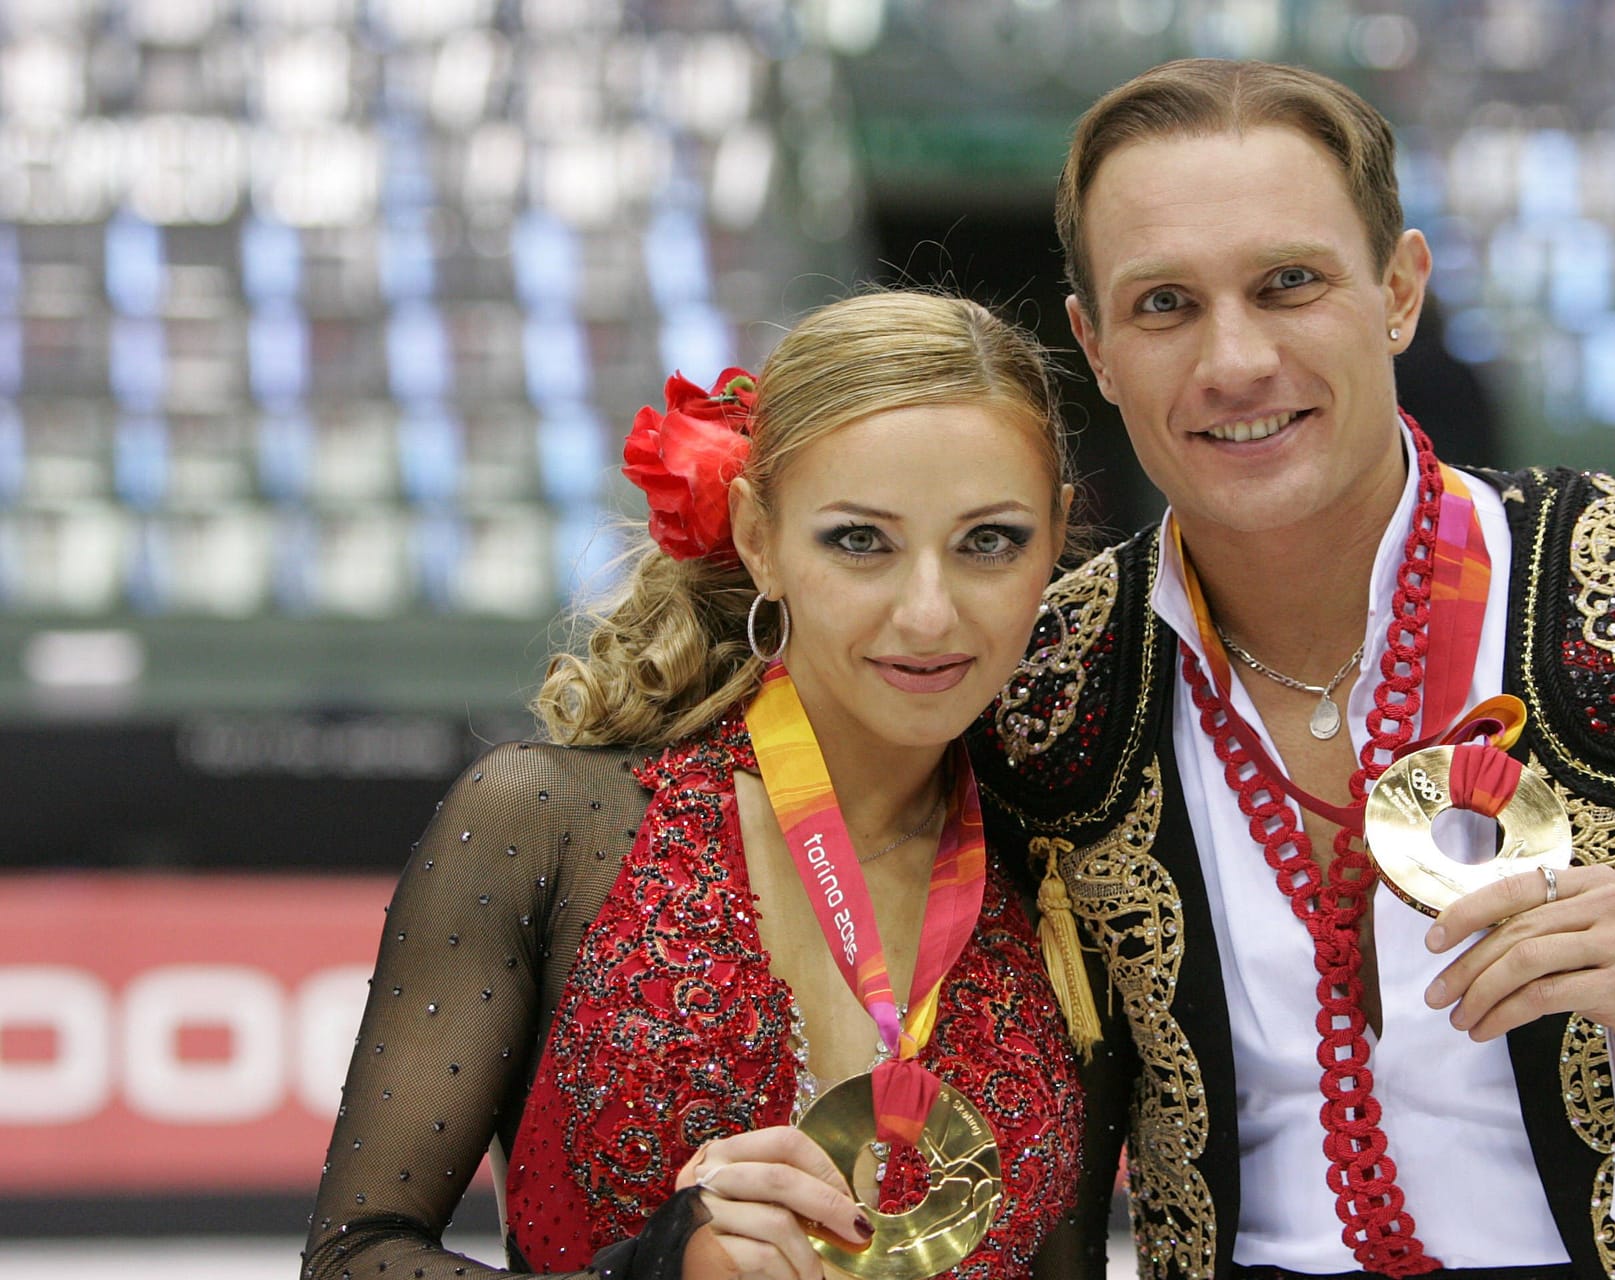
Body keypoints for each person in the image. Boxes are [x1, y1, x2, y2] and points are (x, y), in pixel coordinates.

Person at [970, 58, 1615, 1280]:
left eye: (1290, 283)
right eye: (1165, 305)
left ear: (1400, 292)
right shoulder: (1042, 685)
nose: (1236, 359)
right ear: (1095, 347)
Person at [301, 290, 1092, 1280]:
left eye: (990, 541)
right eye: (860, 539)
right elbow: (353, 1257)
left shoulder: (1063, 870)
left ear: (1056, 537)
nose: (929, 612)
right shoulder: (549, 824)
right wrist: (660, 1268)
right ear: (759, 534)